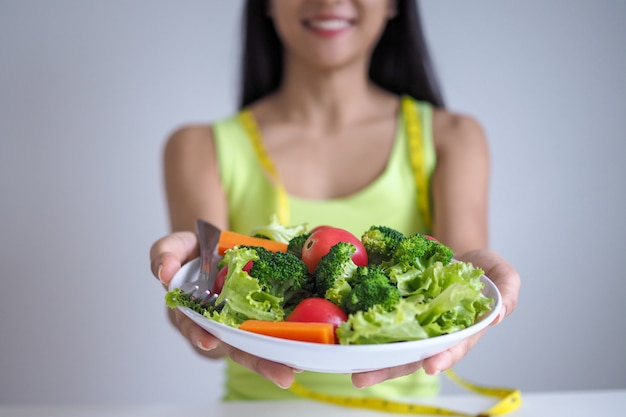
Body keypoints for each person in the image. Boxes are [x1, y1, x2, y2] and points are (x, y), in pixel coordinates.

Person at [150, 0, 520, 402]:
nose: (328, 1)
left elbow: (457, 283)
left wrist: (474, 294)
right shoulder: (198, 147)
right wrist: (191, 296)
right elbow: (206, 321)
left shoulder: (452, 138)